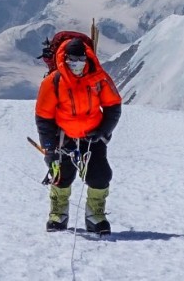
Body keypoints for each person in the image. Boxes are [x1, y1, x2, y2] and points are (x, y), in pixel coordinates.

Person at [35, 37, 123, 233]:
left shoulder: (99, 78)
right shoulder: (54, 81)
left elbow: (113, 105)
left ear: (87, 58)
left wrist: (103, 131)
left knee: (100, 175)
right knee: (61, 176)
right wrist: (49, 147)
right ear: (65, 59)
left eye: (80, 60)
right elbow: (43, 117)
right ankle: (58, 213)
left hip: (93, 138)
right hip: (63, 137)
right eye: (72, 61)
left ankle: (95, 215)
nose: (76, 65)